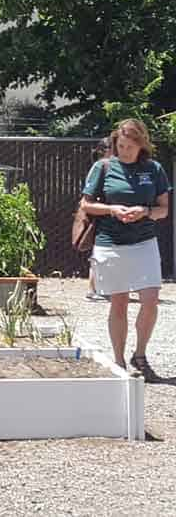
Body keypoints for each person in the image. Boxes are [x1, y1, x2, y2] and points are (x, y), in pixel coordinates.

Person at [80, 119, 170, 382]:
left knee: (150, 301)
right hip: (111, 243)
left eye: (130, 146)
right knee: (119, 303)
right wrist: (112, 209)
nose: (125, 151)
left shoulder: (154, 169)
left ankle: (140, 355)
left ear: (141, 145)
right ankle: (119, 361)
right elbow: (86, 204)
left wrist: (146, 211)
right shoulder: (103, 167)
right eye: (120, 146)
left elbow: (164, 209)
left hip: (144, 242)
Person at [85, 136, 112, 302]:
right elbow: (90, 193)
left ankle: (100, 288)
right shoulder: (101, 165)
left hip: (107, 214)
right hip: (100, 215)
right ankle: (93, 289)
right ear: (104, 150)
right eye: (113, 149)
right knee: (99, 252)